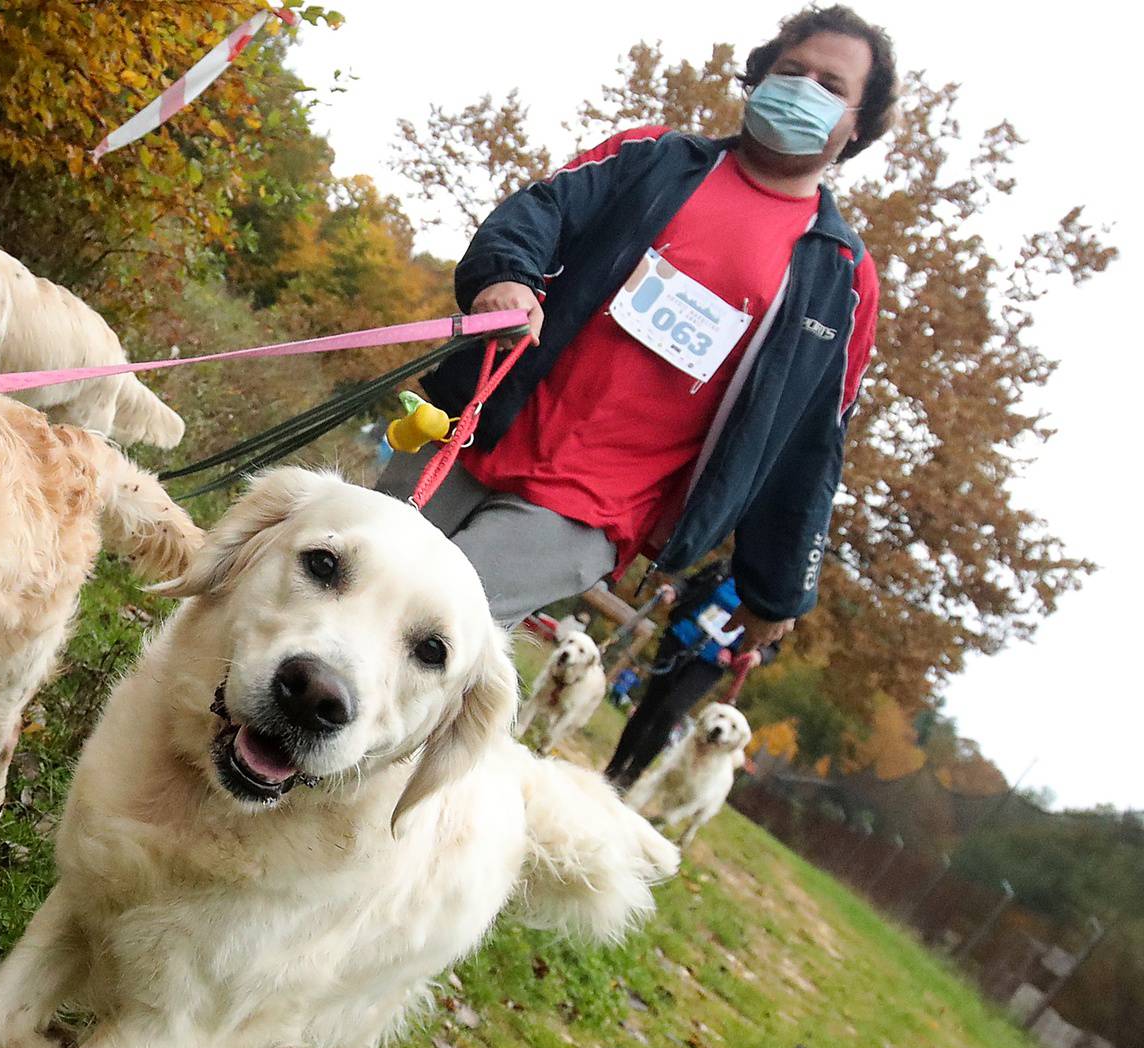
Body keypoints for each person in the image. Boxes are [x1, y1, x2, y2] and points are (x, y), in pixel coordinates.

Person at [379, 5, 893, 655]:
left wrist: (774, 590)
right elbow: (542, 210)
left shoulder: (843, 281)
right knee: (348, 581)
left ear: (856, 127)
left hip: (590, 513)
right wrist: (506, 278)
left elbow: (809, 446)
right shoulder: (653, 157)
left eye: (831, 86)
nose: (803, 89)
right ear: (760, 77)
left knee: (423, 633)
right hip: (477, 425)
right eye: (792, 71)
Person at [604, 559, 775, 789]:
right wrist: (674, 591)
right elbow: (690, 584)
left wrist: (757, 656)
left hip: (712, 661)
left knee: (670, 712)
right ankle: (612, 770)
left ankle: (630, 777)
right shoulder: (726, 568)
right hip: (680, 639)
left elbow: (772, 645)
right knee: (649, 706)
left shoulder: (774, 598)